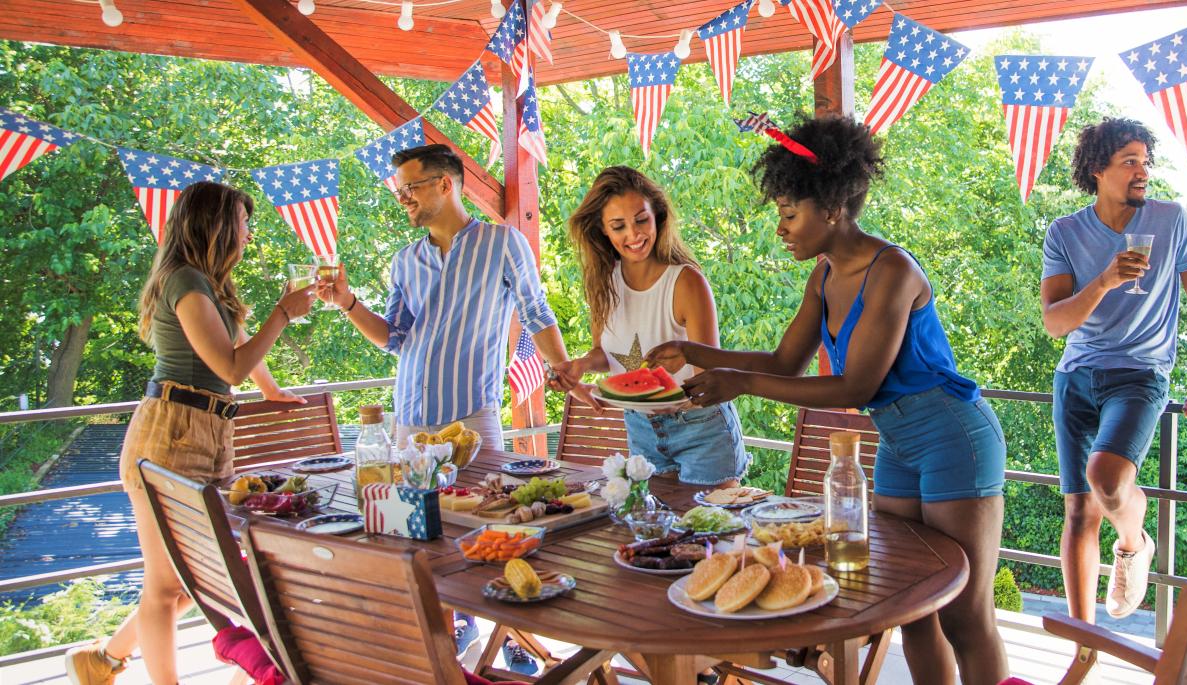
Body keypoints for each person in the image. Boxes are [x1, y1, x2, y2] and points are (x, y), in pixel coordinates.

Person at [646, 115, 1009, 685]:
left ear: (833, 208)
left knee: (964, 613)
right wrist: (698, 353)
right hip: (897, 441)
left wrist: (738, 384)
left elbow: (854, 388)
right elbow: (785, 363)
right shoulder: (823, 275)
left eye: (790, 214)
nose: (781, 228)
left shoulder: (893, 270)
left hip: (952, 437)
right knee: (913, 608)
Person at [316, 143, 571, 672]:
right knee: (420, 540)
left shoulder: (503, 243)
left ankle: (515, 633)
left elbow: (536, 310)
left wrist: (563, 368)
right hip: (410, 421)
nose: (402, 198)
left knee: (486, 529)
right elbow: (394, 337)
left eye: (409, 187)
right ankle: (454, 639)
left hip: (472, 418)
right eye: (398, 189)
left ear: (444, 184)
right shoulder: (404, 260)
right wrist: (346, 302)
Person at [65, 181, 315, 685]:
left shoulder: (210, 284)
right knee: (165, 587)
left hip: (206, 434)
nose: (247, 237)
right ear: (217, 226)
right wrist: (284, 313)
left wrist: (272, 391)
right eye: (243, 226)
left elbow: (238, 342)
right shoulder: (184, 281)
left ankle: (102, 661)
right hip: (170, 437)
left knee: (189, 584)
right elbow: (229, 365)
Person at [1040, 118, 1187, 641]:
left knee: (1108, 479)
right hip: (1075, 375)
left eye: (1146, 161)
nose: (1142, 171)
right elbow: (1055, 322)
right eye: (1130, 161)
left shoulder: (1171, 220)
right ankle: (1083, 646)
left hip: (1140, 374)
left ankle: (1133, 544)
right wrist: (1104, 281)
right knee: (1078, 511)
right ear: (1098, 170)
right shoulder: (1066, 232)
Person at [551, 166, 748, 489]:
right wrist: (581, 365)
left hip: (700, 425)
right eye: (619, 226)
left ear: (657, 216)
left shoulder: (686, 282)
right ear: (603, 230)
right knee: (656, 533)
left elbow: (709, 372)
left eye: (641, 220)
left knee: (714, 530)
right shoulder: (602, 283)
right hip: (641, 428)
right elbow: (607, 351)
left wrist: (664, 392)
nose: (634, 235)